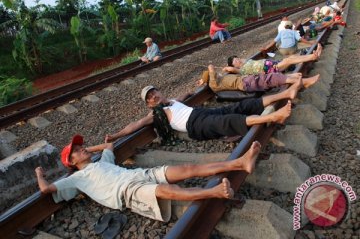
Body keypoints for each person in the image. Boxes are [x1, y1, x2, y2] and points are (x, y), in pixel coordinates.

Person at [35, 135, 261, 222]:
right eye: (77, 149)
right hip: (126, 193)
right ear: (71, 161)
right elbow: (46, 190)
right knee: (164, 190)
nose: (83, 149)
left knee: (186, 168)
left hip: (137, 175)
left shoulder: (101, 161)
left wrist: (88, 150)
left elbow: (109, 145)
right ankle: (214, 192)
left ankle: (240, 162)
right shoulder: (75, 178)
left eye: (81, 146)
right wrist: (39, 174)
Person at [105, 85, 294, 143]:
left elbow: (184, 95)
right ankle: (273, 117)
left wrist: (192, 91)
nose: (153, 96)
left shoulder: (171, 100)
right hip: (195, 126)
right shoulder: (156, 114)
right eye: (150, 97)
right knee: (229, 120)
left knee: (239, 106)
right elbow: (135, 125)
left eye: (154, 92)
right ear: (149, 104)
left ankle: (285, 93)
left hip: (200, 112)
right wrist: (115, 135)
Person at [197, 65, 320, 93]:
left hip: (248, 81)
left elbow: (214, 75)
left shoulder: (219, 79)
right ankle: (304, 82)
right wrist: (209, 71)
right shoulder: (213, 84)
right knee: (272, 78)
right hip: (246, 84)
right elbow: (212, 74)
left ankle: (296, 77)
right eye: (214, 74)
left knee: (272, 77)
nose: (217, 74)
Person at [223, 43, 322, 75]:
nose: (238, 60)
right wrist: (227, 67)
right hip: (269, 69)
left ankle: (312, 57)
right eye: (235, 61)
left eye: (237, 58)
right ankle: (313, 56)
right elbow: (230, 69)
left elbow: (242, 59)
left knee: (290, 57)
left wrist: (238, 60)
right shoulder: (241, 70)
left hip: (271, 64)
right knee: (289, 60)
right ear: (234, 65)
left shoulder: (245, 62)